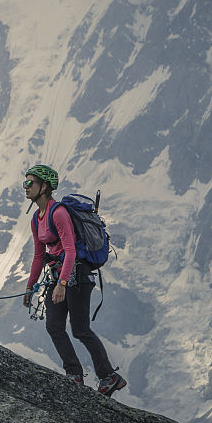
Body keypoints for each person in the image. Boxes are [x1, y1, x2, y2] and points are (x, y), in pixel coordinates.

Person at [21, 164, 126, 397]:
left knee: (80, 329)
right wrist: (30, 287)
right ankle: (74, 374)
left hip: (75, 276)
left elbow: (70, 250)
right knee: (54, 326)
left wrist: (63, 283)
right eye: (25, 183)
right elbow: (39, 255)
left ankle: (109, 376)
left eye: (30, 183)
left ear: (44, 186)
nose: (25, 187)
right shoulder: (36, 219)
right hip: (58, 276)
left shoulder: (57, 212)